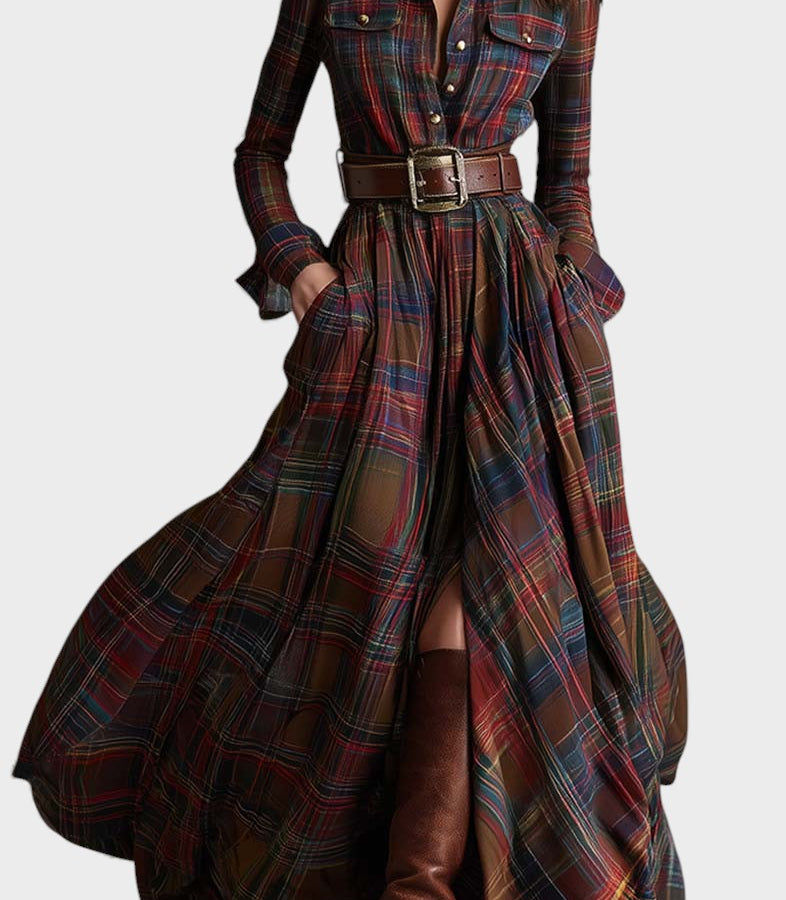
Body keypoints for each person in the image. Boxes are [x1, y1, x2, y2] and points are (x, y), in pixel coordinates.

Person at [12, 1, 689, 898]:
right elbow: (260, 154)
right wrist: (306, 274)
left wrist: (576, 294)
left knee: (511, 582)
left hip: (518, 324)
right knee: (363, 573)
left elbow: (569, 177)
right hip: (380, 307)